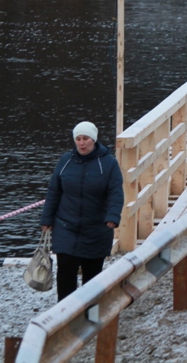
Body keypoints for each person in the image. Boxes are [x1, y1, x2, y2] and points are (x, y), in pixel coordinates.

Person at [39, 121, 124, 302]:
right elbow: (54, 191)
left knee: (92, 275)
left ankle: (89, 312)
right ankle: (64, 313)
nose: (81, 143)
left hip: (96, 228)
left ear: (93, 139)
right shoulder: (65, 161)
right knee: (65, 270)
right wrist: (47, 219)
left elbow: (115, 191)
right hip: (65, 225)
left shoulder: (108, 163)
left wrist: (113, 216)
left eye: (85, 138)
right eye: (78, 139)